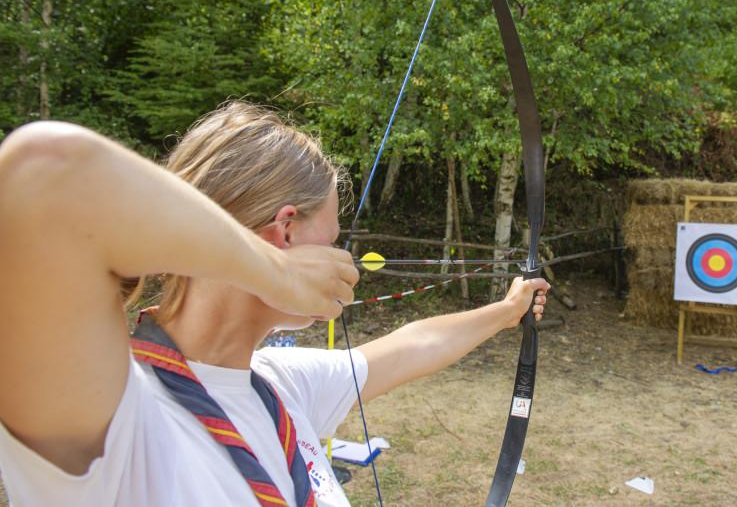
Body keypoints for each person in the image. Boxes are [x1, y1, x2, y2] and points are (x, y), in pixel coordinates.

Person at [0, 102, 548, 506]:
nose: (340, 259)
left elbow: (413, 345)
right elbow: (45, 175)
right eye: (330, 239)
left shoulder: (275, 384)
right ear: (285, 233)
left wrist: (507, 310)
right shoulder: (113, 415)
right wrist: (273, 274)